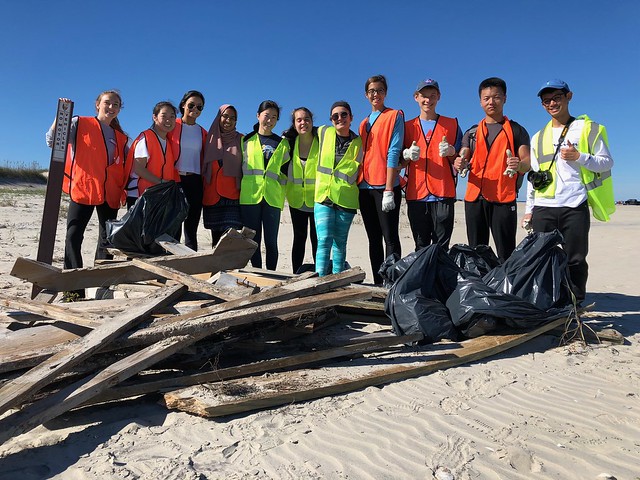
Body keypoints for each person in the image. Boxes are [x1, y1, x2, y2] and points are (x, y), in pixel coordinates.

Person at [522, 79, 614, 303]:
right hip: (545, 206)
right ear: (543, 105)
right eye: (547, 100)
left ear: (568, 97)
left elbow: (607, 162)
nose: (552, 103)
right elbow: (533, 177)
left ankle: (575, 302)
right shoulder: (538, 137)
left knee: (576, 259)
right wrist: (528, 210)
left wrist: (579, 157)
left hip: (575, 205)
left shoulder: (588, 129)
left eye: (557, 98)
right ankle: (545, 302)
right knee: (541, 259)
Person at [45, 90, 129, 298]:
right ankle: (74, 290)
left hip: (110, 191)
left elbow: (129, 164)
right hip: (83, 187)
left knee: (107, 240)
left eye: (116, 104)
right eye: (107, 103)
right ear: (98, 104)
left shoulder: (121, 137)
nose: (111, 107)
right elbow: (52, 140)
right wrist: (61, 115)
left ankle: (103, 287)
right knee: (74, 235)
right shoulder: (80, 123)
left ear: (119, 109)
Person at [454, 77, 530, 263]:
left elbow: (527, 162)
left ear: (504, 98)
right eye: (486, 98)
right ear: (480, 101)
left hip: (503, 198)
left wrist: (518, 165)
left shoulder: (516, 130)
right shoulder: (472, 132)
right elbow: (464, 155)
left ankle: (507, 289)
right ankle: (480, 290)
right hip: (474, 198)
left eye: (496, 97)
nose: (491, 102)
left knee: (506, 253)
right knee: (476, 252)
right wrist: (459, 162)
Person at [401, 78, 462, 251]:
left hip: (443, 193)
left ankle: (439, 278)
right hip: (416, 193)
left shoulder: (452, 125)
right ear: (416, 97)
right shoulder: (407, 126)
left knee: (441, 247)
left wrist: (452, 152)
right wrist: (406, 154)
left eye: (432, 95)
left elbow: (459, 159)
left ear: (439, 97)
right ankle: (423, 278)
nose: (428, 100)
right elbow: (397, 160)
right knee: (420, 246)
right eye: (424, 96)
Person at [358, 74, 404, 284]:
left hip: (385, 187)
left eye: (379, 90)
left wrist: (388, 189)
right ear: (366, 95)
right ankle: (378, 283)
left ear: (385, 93)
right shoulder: (363, 124)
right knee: (373, 238)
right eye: (371, 91)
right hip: (365, 187)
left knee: (390, 238)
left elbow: (394, 151)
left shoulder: (395, 115)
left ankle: (392, 283)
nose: (375, 94)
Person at [240, 100, 290, 270]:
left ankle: (271, 275)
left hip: (272, 198)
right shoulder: (245, 141)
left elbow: (286, 171)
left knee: (271, 241)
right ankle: (258, 274)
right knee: (253, 241)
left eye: (274, 117)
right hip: (250, 197)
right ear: (258, 116)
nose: (269, 120)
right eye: (266, 115)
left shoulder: (282, 143)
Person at [314, 101, 363, 276]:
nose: (339, 118)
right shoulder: (323, 132)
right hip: (323, 196)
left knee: (340, 242)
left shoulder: (360, 142)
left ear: (351, 118)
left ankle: (337, 281)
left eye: (344, 114)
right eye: (335, 116)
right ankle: (319, 280)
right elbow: (301, 132)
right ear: (331, 119)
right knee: (324, 240)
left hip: (346, 199)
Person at [167, 90, 207, 251]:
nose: (195, 109)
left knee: (191, 229)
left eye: (199, 107)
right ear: (183, 105)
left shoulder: (203, 132)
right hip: (175, 181)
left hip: (195, 182)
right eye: (191, 105)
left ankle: (192, 270)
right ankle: (169, 270)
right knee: (173, 228)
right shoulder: (172, 125)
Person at [202, 104, 244, 247]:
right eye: (225, 116)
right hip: (212, 196)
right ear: (218, 117)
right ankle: (216, 269)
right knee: (215, 240)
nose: (228, 120)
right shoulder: (208, 139)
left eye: (233, 118)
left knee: (229, 239)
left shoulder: (242, 139)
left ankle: (229, 268)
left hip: (232, 196)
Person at [283, 107, 319, 273]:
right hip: (296, 200)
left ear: (312, 121)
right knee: (299, 238)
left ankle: (320, 275)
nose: (303, 123)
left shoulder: (321, 141)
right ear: (294, 124)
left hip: (318, 200)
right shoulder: (289, 143)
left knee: (318, 240)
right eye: (299, 120)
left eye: (306, 119)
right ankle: (295, 275)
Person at [131, 101, 179, 195]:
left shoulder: (168, 142)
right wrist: (161, 182)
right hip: (142, 195)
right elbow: (139, 168)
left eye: (172, 116)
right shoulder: (146, 137)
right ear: (155, 117)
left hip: (159, 194)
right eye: (164, 116)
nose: (168, 120)